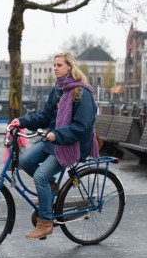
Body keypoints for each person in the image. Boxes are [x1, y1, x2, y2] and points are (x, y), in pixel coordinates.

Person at [9, 52, 100, 240]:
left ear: (70, 67)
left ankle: (45, 222)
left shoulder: (82, 93)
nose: (55, 68)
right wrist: (22, 121)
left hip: (71, 144)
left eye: (59, 65)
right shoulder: (58, 89)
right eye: (54, 65)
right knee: (25, 161)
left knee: (41, 176)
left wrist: (57, 134)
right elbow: (44, 116)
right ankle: (50, 189)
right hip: (55, 140)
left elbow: (80, 127)